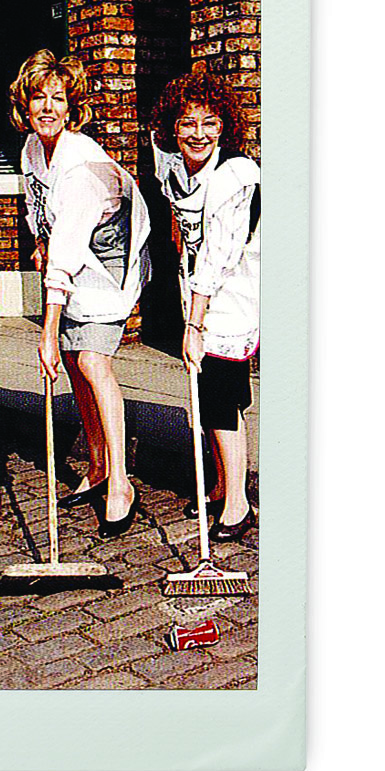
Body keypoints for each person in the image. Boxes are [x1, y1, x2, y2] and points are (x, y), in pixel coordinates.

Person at [12, 49, 150, 537]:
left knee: (91, 361)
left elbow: (70, 251)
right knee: (73, 365)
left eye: (58, 98)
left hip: (110, 265)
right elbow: (38, 207)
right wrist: (38, 241)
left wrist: (46, 331)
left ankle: (121, 481)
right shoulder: (32, 149)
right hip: (72, 260)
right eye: (38, 98)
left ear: (72, 107)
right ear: (25, 106)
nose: (47, 107)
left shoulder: (81, 168)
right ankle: (96, 464)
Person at [151, 62, 260, 542]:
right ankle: (221, 483)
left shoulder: (235, 175)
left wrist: (193, 325)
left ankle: (237, 502)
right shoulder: (175, 168)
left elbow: (219, 256)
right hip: (196, 294)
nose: (198, 134)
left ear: (225, 126)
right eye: (188, 123)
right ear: (173, 126)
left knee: (219, 398)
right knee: (211, 395)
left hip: (232, 298)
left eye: (209, 123)